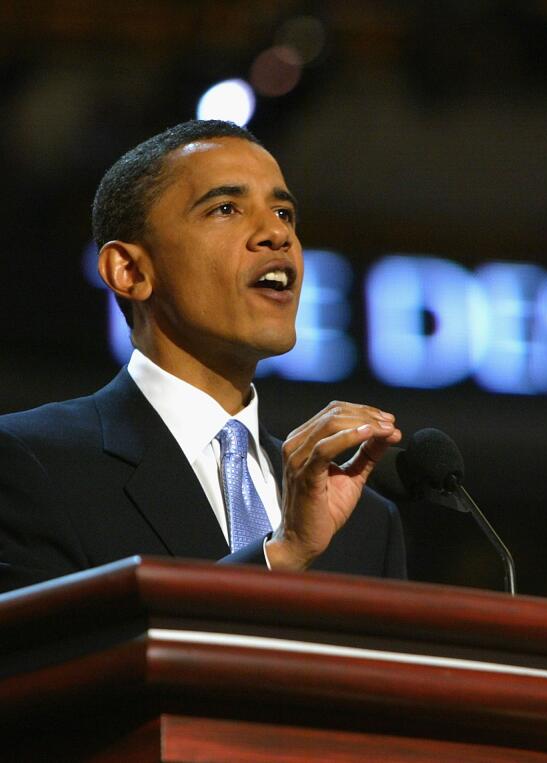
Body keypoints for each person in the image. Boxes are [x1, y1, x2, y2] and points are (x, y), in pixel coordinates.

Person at [0, 120, 406, 593]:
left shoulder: (364, 521)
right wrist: (281, 556)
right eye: (226, 208)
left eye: (284, 213)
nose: (276, 235)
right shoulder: (35, 465)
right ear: (129, 270)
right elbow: (50, 659)